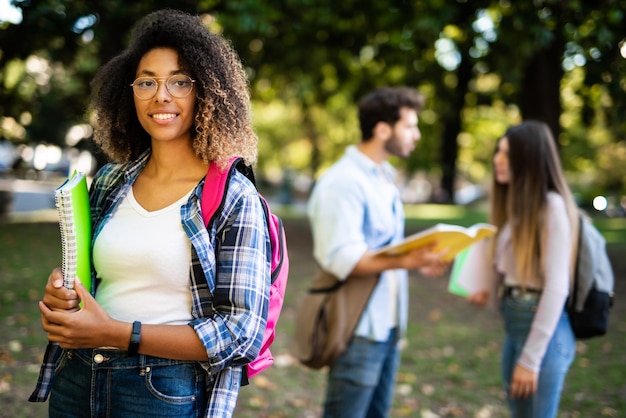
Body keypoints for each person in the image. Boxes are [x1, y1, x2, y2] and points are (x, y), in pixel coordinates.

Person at [29, 9, 271, 418]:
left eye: (180, 81)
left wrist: (117, 334)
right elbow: (99, 278)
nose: (162, 95)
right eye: (147, 82)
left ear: (207, 91)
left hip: (161, 391)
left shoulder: (234, 196)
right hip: (77, 378)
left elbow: (241, 333)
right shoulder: (109, 181)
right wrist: (64, 293)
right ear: (130, 93)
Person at [307, 86, 449, 418]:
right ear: (383, 129)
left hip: (388, 325)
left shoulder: (382, 177)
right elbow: (344, 258)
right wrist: (411, 259)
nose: (417, 135)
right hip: (359, 328)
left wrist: (420, 261)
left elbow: (385, 248)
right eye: (410, 126)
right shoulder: (344, 182)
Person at [462, 120, 579, 417]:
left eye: (507, 154)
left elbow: (557, 286)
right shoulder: (515, 207)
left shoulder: (551, 207)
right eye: (498, 151)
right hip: (516, 325)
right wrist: (483, 288)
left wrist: (530, 359)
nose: (497, 160)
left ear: (529, 160)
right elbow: (508, 268)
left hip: (541, 331)